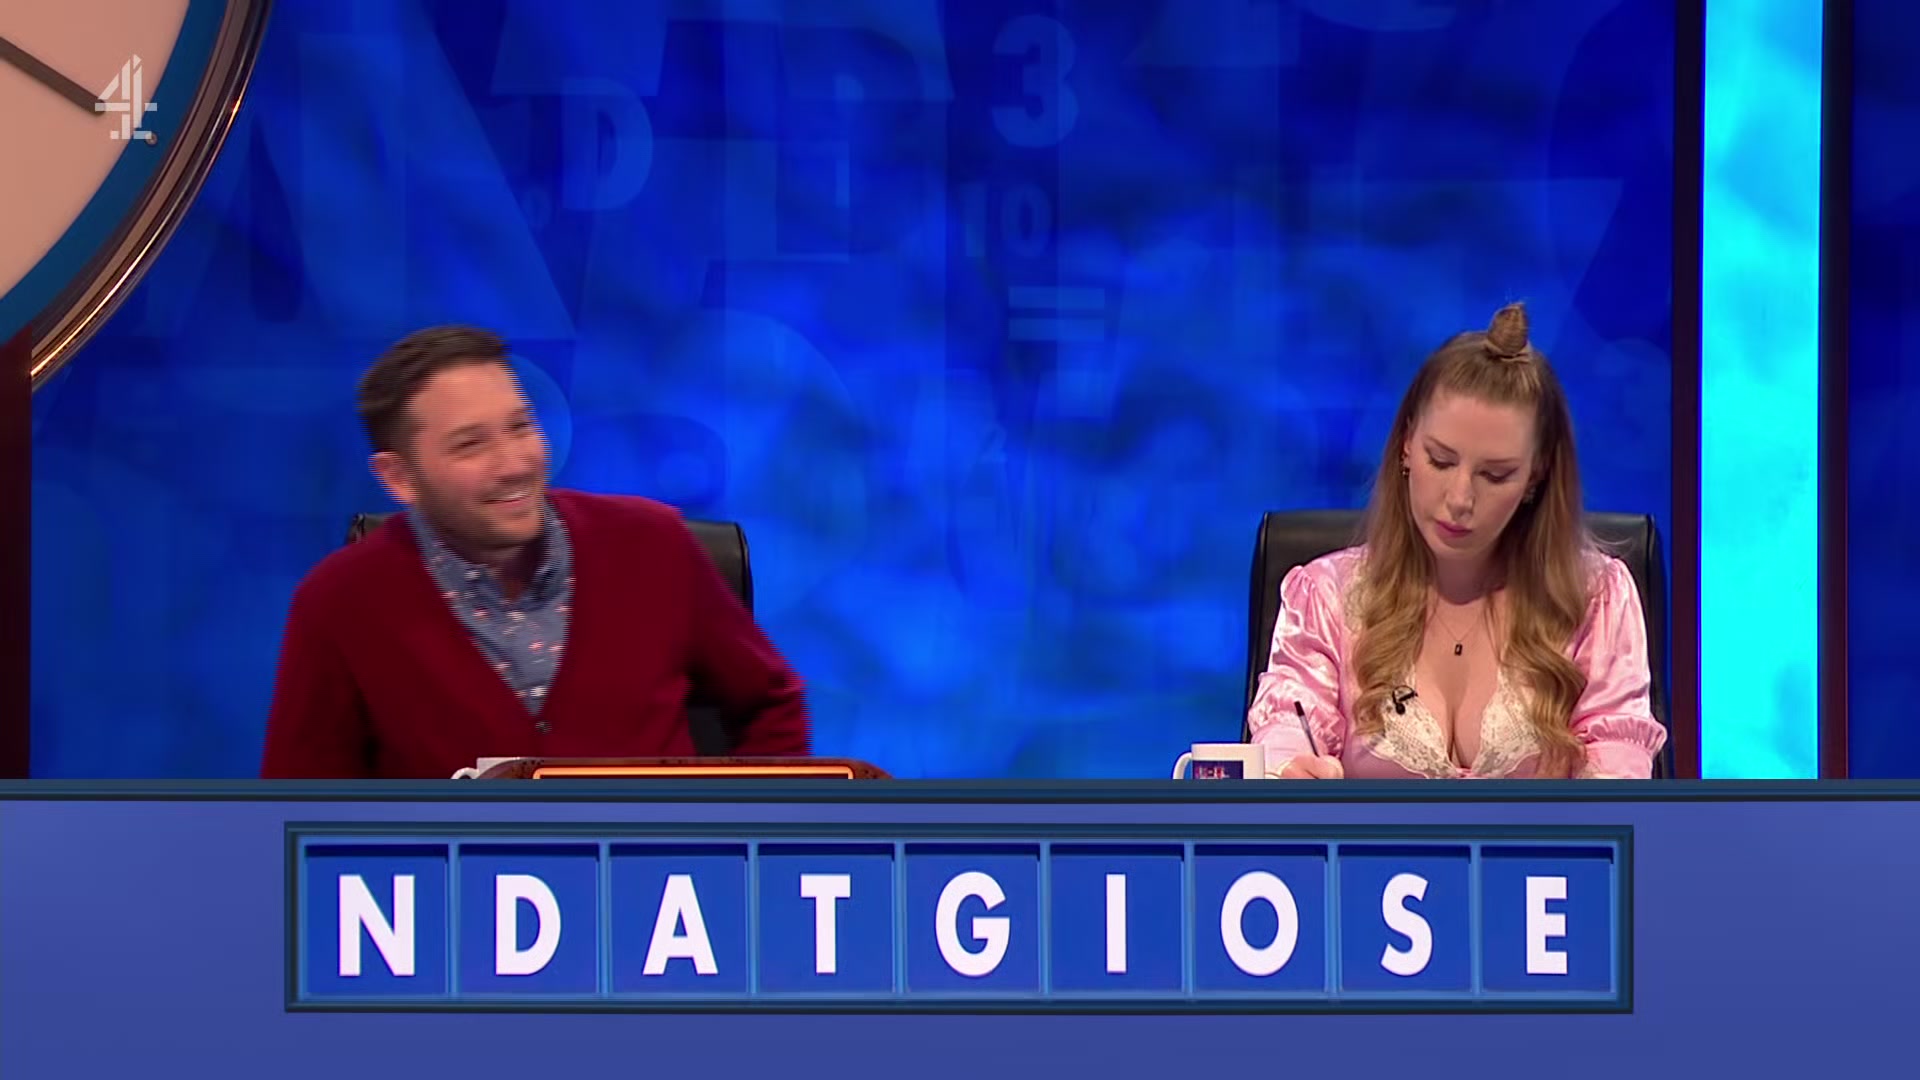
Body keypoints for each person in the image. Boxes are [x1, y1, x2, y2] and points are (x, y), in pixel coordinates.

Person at [260, 326, 810, 778]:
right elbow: (299, 805)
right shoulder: (338, 601)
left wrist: (736, 837)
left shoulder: (653, 542)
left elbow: (771, 702)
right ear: (399, 477)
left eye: (520, 426)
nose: (515, 462)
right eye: (471, 444)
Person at [1247, 303, 1666, 780]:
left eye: (1495, 475)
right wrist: (1288, 767)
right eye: (1441, 461)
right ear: (1407, 445)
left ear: (1536, 475)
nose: (1460, 499)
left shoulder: (1596, 598)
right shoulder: (1326, 596)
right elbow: (1286, 726)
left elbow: (1617, 782)